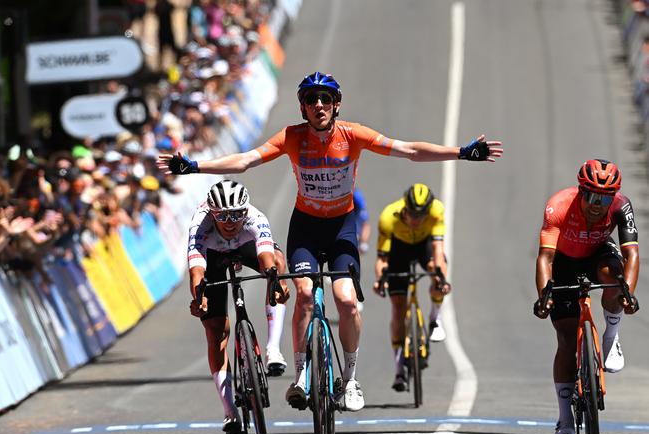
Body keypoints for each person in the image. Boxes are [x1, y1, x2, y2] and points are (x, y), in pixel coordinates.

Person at [158, 71, 504, 412]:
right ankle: (301, 376)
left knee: (346, 300)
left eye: (326, 99)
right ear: (303, 108)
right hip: (306, 227)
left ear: (337, 105)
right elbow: (246, 160)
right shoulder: (292, 137)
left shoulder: (353, 135)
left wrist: (462, 152)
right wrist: (194, 166)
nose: (319, 104)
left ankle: (350, 379)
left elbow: (409, 150)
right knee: (305, 294)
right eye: (311, 100)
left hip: (342, 227)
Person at [533, 159, 639, 434]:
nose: (598, 204)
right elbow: (546, 258)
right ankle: (565, 418)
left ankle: (611, 336)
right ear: (580, 191)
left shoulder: (621, 206)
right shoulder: (559, 205)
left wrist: (627, 291)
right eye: (592, 196)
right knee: (567, 340)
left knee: (613, 277)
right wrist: (544, 296)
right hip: (564, 262)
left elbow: (632, 254)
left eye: (605, 198)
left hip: (598, 254)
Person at [188, 179, 290, 434]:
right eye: (222, 216)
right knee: (215, 331)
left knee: (277, 265)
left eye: (236, 214)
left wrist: (273, 279)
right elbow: (197, 270)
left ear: (246, 210)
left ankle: (273, 349)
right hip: (212, 257)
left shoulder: (256, 218)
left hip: (246, 247)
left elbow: (266, 256)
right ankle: (229, 411)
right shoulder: (199, 225)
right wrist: (199, 298)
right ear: (212, 213)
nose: (230, 221)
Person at [372, 183, 451, 392]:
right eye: (413, 214)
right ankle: (399, 369)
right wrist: (380, 279)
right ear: (404, 209)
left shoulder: (436, 211)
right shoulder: (389, 217)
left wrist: (441, 278)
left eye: (421, 215)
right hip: (399, 250)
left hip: (424, 246)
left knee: (437, 270)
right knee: (398, 307)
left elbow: (438, 250)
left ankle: (435, 318)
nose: (417, 220)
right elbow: (382, 259)